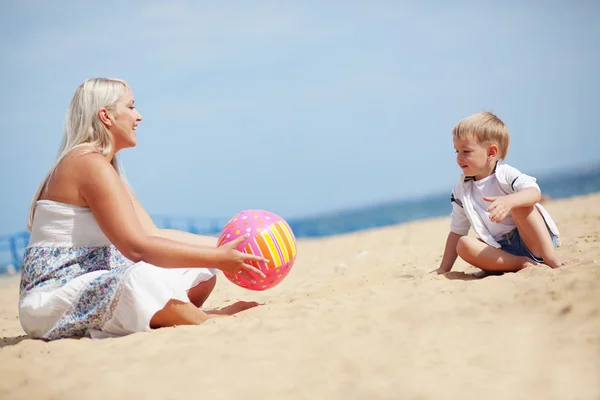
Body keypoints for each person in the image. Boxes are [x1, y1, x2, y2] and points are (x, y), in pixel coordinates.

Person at [19, 78, 269, 341]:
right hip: (50, 301)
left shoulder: (105, 167)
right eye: (130, 107)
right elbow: (137, 248)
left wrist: (225, 248)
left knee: (199, 271)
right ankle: (210, 318)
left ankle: (169, 314)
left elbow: (153, 233)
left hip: (94, 281)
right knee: (144, 277)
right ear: (106, 116)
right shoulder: (87, 164)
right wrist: (218, 257)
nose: (139, 116)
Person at [435, 111, 567, 275]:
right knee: (463, 244)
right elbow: (457, 230)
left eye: (466, 151)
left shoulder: (505, 174)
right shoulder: (462, 190)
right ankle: (520, 263)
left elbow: (534, 193)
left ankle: (550, 256)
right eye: (457, 151)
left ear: (491, 153)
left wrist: (510, 201)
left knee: (520, 203)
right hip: (502, 251)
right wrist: (443, 268)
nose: (459, 157)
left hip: (533, 241)